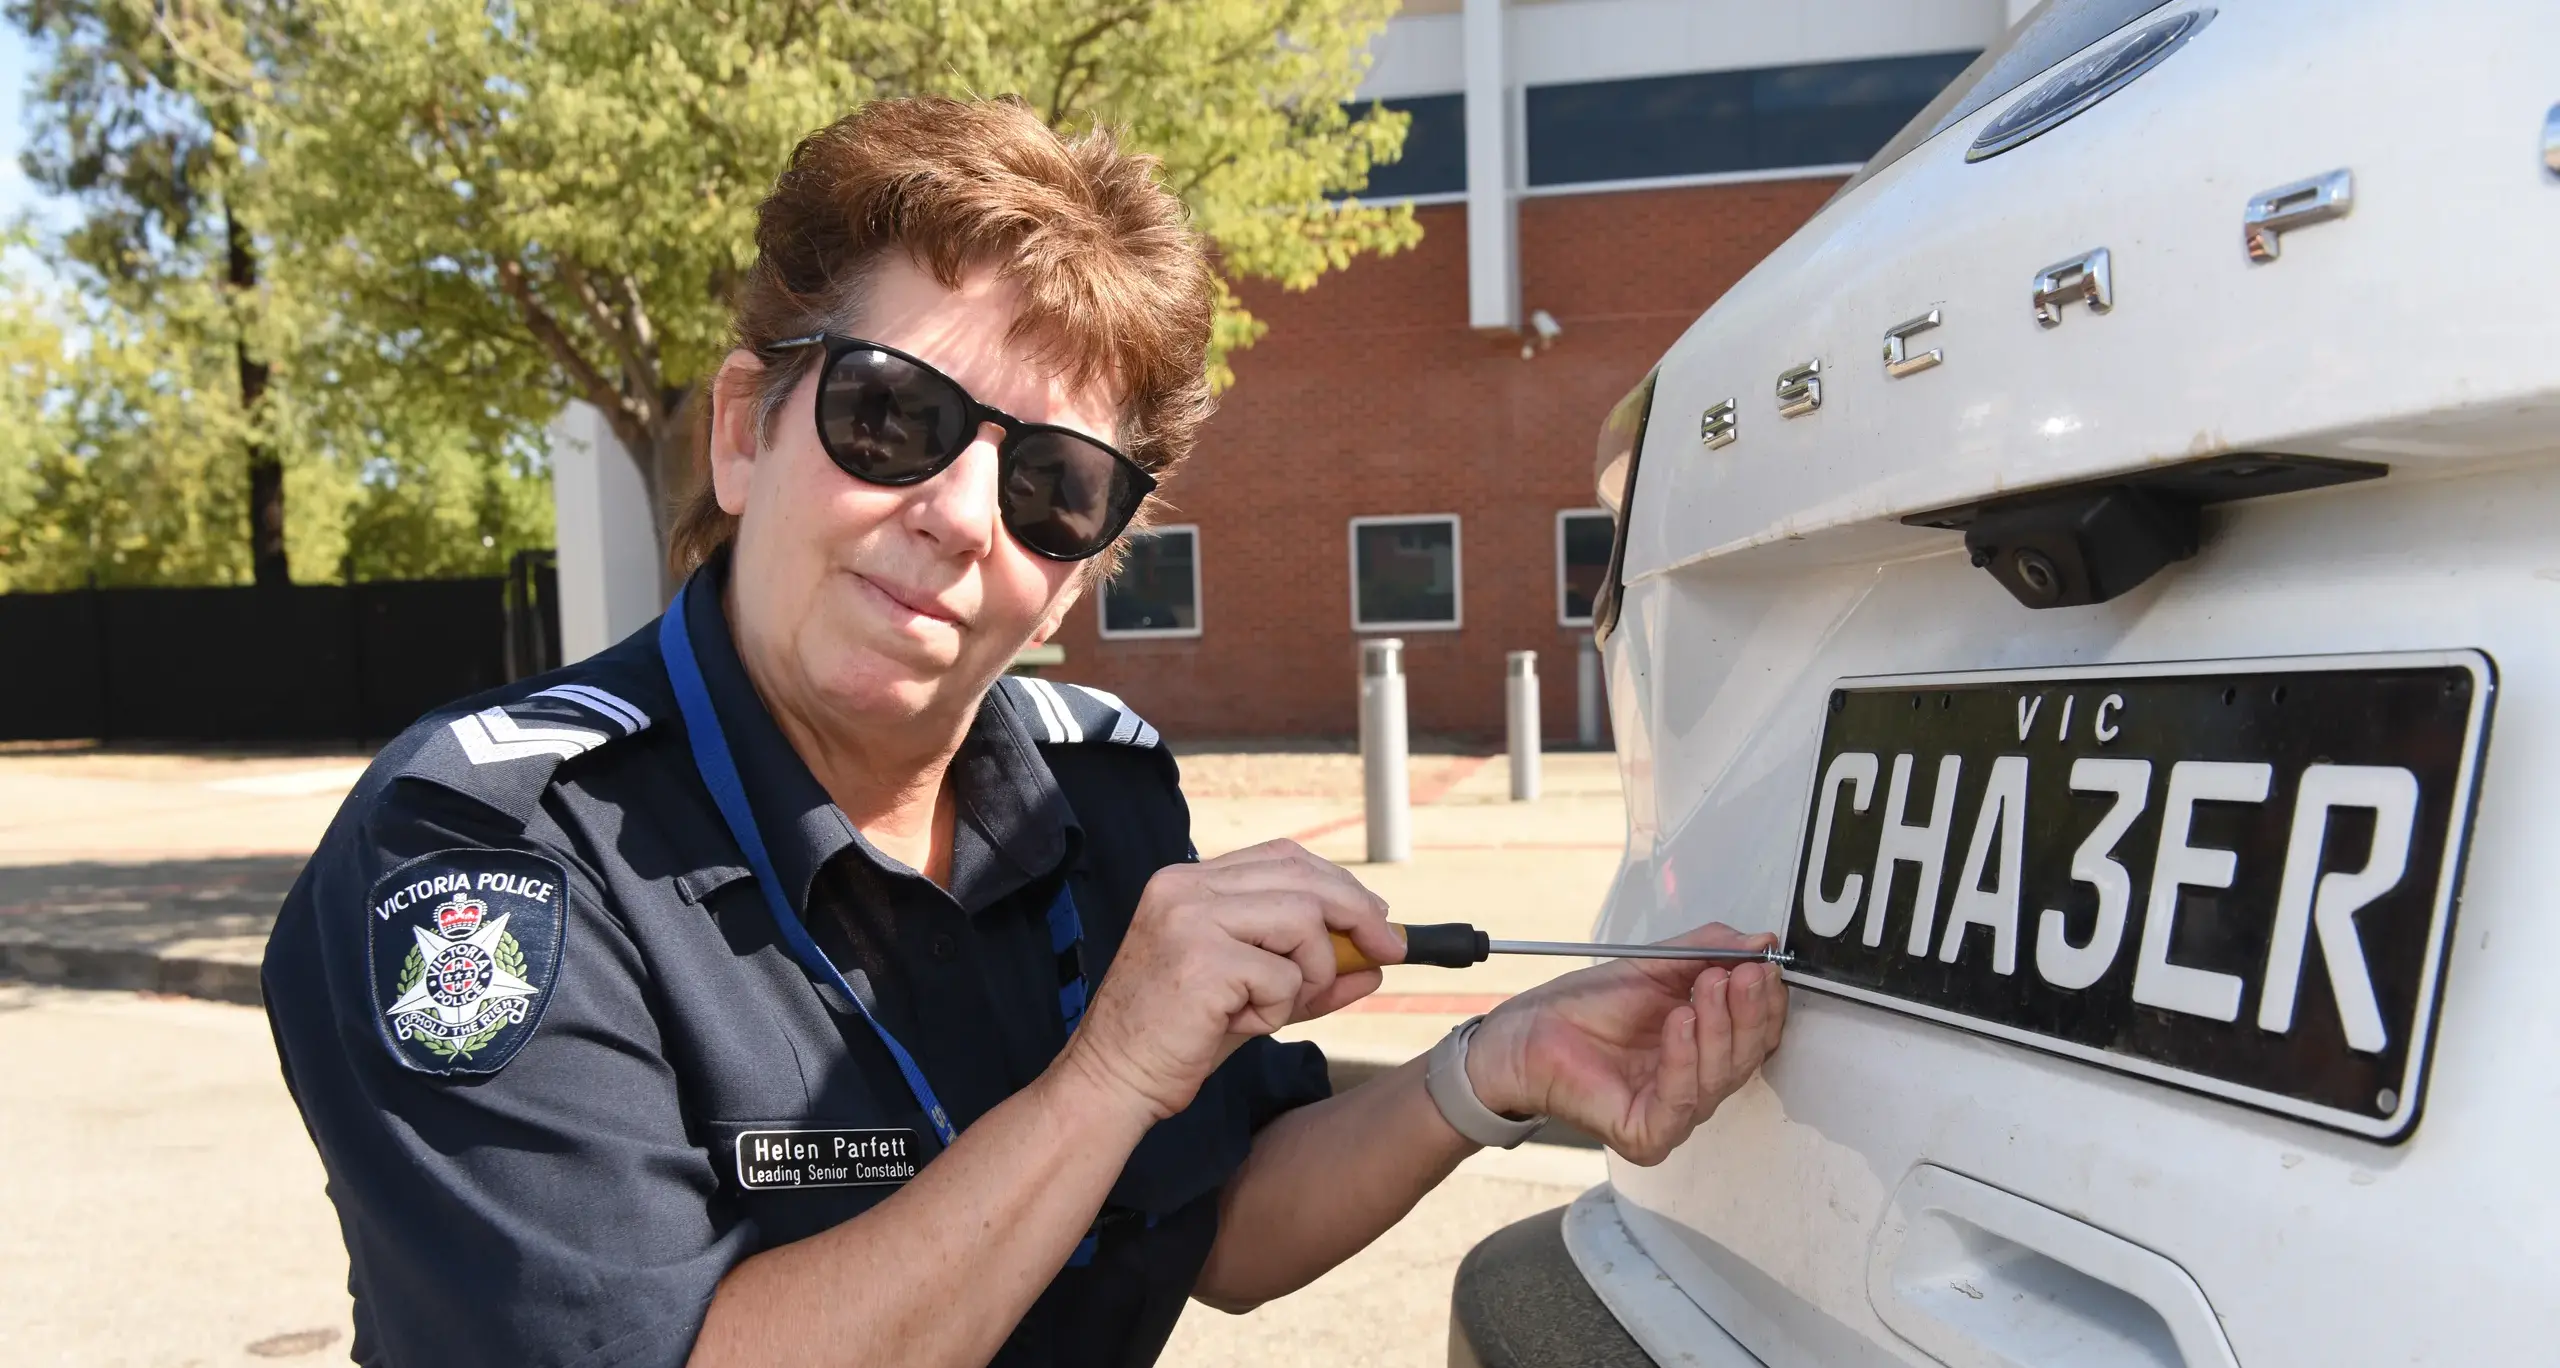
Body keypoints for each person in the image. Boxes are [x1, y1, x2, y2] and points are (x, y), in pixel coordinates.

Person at [260, 95, 1787, 1368]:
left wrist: (1488, 1069)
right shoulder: (489, 852)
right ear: (743, 432)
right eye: (889, 419)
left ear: (1077, 576)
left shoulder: (1095, 792)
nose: (952, 517)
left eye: (1050, 489)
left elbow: (1219, 1220)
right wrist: (1106, 1071)